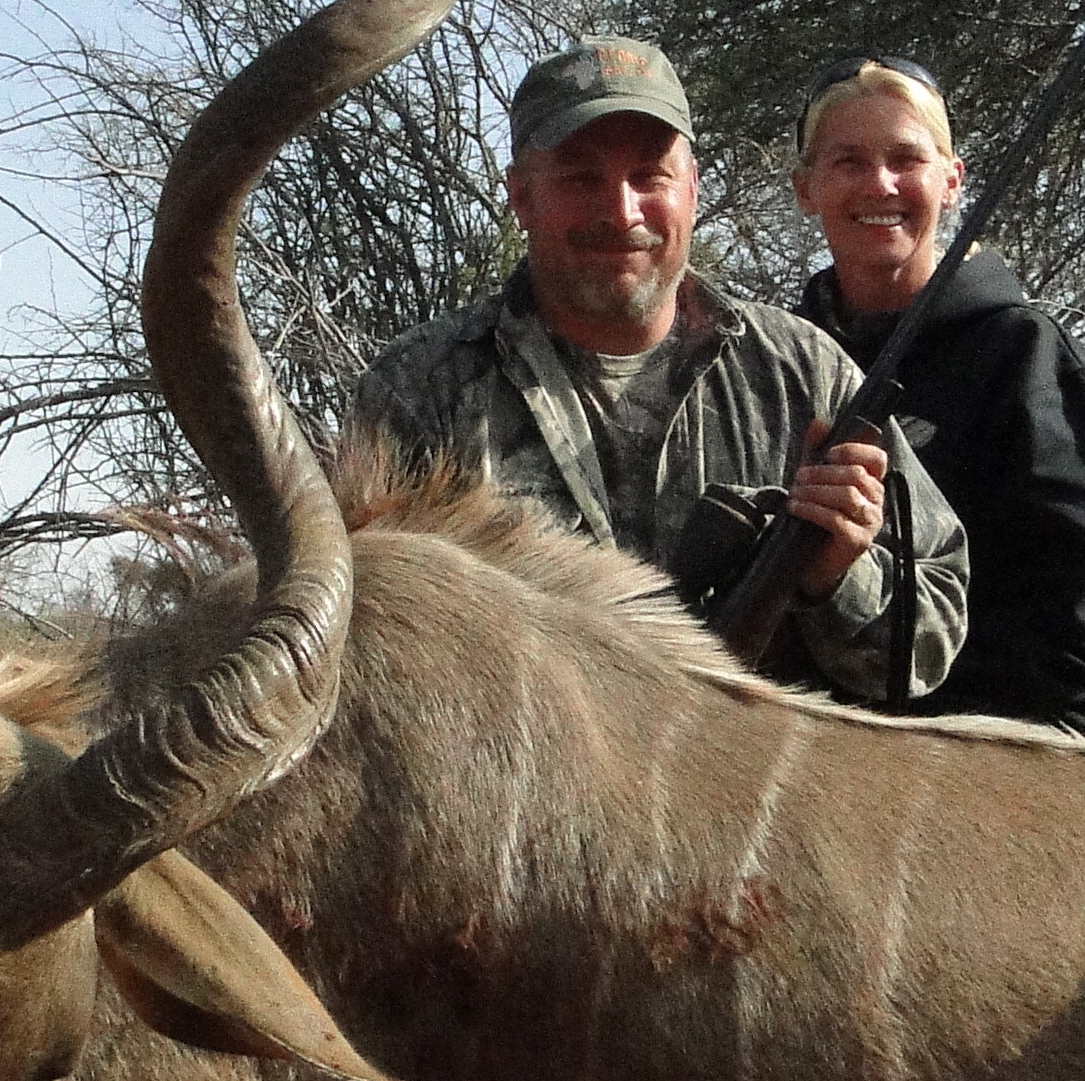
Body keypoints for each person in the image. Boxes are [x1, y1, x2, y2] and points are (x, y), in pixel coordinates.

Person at [355, 36, 965, 705]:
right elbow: (359, 650)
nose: (622, 212)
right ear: (521, 197)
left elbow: (926, 647)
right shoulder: (419, 391)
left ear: (693, 190)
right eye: (581, 178)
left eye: (651, 176)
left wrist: (835, 578)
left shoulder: (800, 370)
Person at [790, 55, 1085, 748]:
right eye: (849, 162)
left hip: (1026, 756)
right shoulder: (779, 367)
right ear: (805, 188)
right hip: (830, 750)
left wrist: (887, 710)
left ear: (951, 180)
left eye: (907, 159)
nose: (881, 184)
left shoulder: (1034, 362)